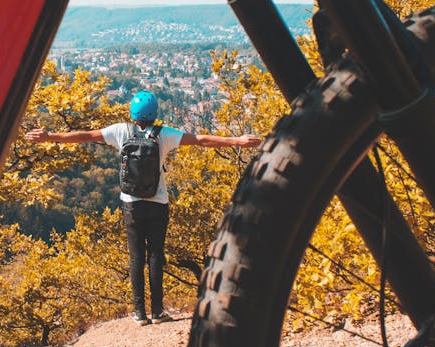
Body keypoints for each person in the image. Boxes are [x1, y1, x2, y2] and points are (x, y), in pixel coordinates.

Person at [25, 90, 261, 326]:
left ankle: (139, 313)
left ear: (132, 112)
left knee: (136, 257)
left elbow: (85, 135)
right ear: (155, 112)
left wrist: (49, 136)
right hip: (158, 203)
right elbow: (200, 140)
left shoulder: (121, 131)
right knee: (156, 255)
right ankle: (157, 311)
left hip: (131, 204)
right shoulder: (163, 135)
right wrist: (237, 141)